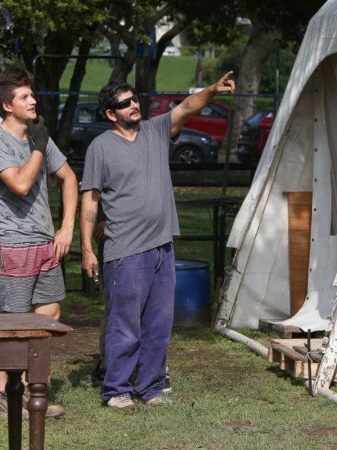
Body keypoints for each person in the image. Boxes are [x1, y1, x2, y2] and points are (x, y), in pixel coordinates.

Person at [80, 72, 235, 410]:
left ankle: (149, 386)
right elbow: (90, 200)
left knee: (159, 324)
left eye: (134, 99)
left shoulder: (155, 131)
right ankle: (116, 389)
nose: (134, 105)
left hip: (163, 248)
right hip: (124, 250)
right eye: (125, 103)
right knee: (125, 324)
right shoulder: (100, 148)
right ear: (111, 113)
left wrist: (212, 90)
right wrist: (88, 248)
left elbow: (187, 107)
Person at [0, 68, 78, 419]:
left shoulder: (38, 136)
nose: (33, 100)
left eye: (32, 94)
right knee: (11, 324)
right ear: (8, 105)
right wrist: (38, 149)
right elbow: (20, 184)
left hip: (44, 245)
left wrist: (66, 228)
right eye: (24, 96)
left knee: (48, 316)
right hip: (12, 246)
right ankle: (1, 398)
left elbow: (68, 178)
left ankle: (29, 392)